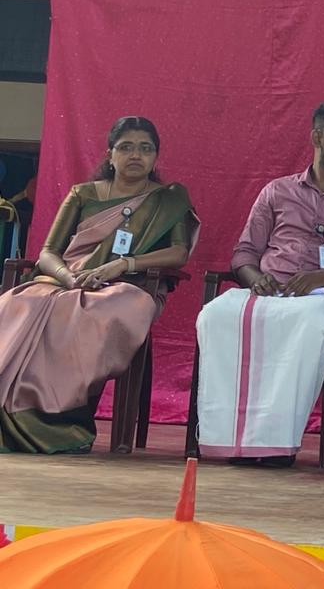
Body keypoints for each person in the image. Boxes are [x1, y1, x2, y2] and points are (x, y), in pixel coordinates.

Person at [195, 99, 324, 466]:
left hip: (322, 295)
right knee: (214, 315)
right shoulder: (277, 191)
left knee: (312, 324)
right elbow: (244, 252)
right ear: (317, 137)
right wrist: (256, 278)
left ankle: (274, 444)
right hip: (269, 290)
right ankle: (225, 438)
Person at [0, 117, 197, 453]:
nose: (136, 155)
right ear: (110, 154)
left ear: (155, 157)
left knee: (94, 310)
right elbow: (48, 252)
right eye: (126, 147)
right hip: (68, 280)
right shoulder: (83, 194)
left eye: (145, 148)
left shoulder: (168, 199)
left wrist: (123, 264)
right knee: (17, 304)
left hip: (131, 287)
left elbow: (178, 253)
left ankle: (64, 414)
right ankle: (19, 409)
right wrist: (69, 278)